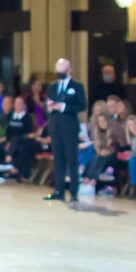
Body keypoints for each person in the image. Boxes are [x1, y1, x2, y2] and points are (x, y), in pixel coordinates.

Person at [43, 57, 86, 201]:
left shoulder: (77, 86)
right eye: (58, 70)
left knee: (72, 159)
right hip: (55, 126)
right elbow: (47, 105)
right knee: (58, 160)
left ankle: (74, 192)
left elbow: (82, 105)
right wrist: (49, 106)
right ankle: (59, 190)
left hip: (70, 127)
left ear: (70, 70)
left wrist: (64, 107)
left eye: (63, 70)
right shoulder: (52, 86)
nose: (60, 73)